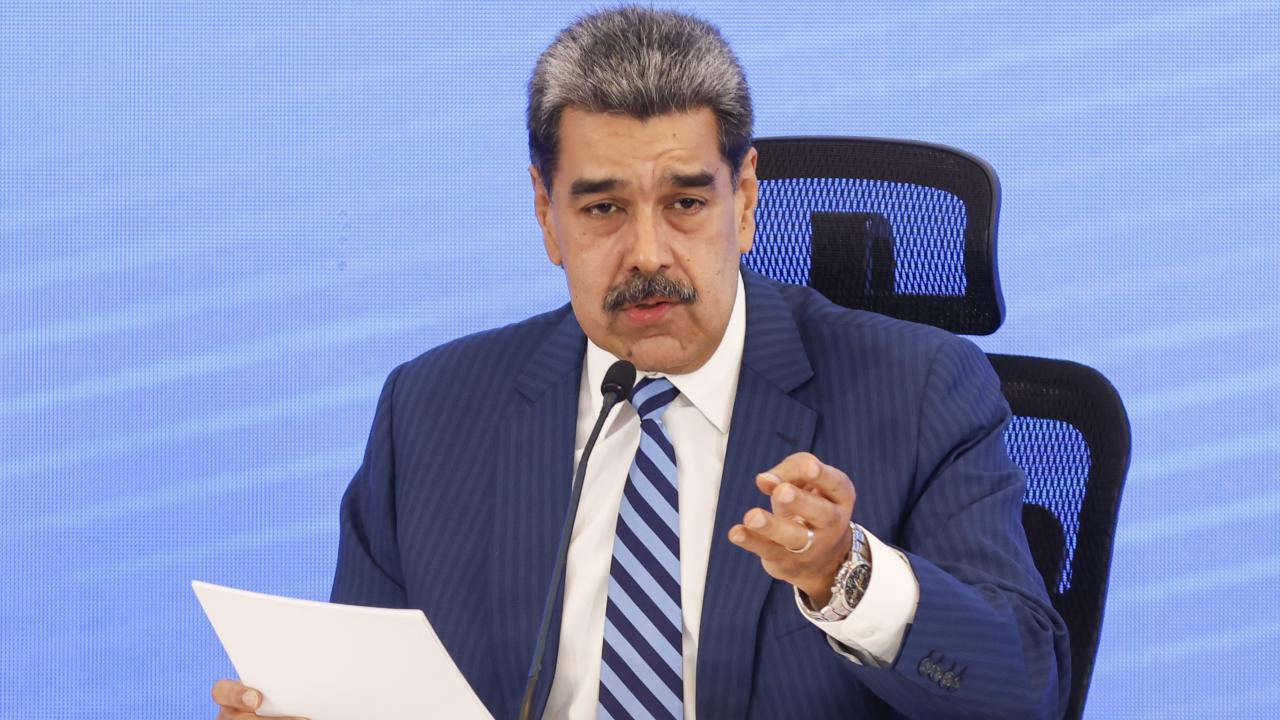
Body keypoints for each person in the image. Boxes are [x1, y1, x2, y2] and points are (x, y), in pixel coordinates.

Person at [213, 6, 1068, 719]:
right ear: (546, 214)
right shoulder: (431, 410)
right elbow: (363, 691)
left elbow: (1025, 690)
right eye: (604, 209)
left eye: (686, 202)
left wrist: (842, 576)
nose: (648, 252)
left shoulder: (920, 392)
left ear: (745, 202)